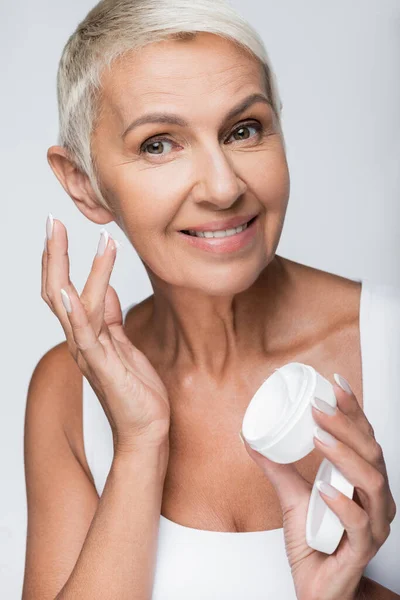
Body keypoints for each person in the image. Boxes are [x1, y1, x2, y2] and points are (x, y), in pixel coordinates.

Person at [22, 0, 400, 598]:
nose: (224, 188)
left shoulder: (391, 345)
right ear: (84, 184)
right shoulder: (66, 393)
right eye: (159, 144)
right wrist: (140, 444)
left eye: (243, 130)